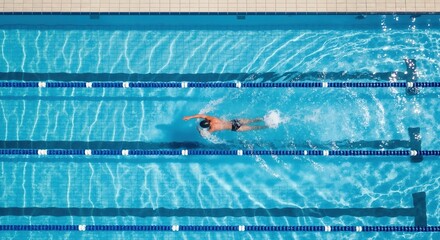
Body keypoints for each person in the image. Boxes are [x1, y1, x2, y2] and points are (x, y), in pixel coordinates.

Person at [183, 114, 267, 133]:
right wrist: (190, 117)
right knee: (253, 120)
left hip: (235, 128)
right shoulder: (212, 119)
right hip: (234, 121)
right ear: (207, 121)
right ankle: (266, 118)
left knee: (255, 128)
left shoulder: (212, 128)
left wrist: (199, 130)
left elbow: (205, 135)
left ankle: (268, 126)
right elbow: (201, 115)